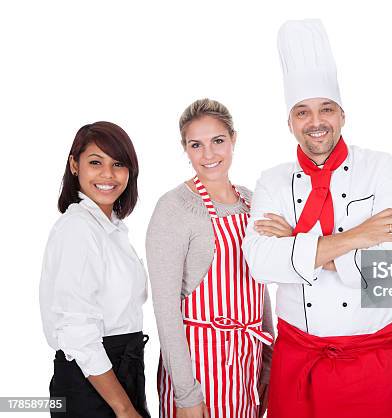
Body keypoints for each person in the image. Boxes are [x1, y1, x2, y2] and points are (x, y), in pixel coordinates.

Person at [242, 19, 392, 418]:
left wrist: (299, 243)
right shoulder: (272, 180)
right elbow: (259, 261)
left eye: (326, 109)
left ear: (342, 115)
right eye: (302, 112)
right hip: (297, 360)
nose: (315, 121)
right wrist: (359, 236)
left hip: (371, 363)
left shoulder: (380, 167)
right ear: (290, 122)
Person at [146, 98, 274, 418]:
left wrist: (268, 363)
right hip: (199, 374)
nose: (209, 155)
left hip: (247, 367)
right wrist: (186, 395)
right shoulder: (174, 208)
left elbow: (260, 283)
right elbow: (165, 311)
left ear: (233, 139)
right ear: (185, 149)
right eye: (196, 145)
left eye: (218, 141)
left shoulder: (251, 201)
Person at [40, 121, 150, 418]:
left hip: (119, 375)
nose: (108, 175)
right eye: (95, 163)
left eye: (118, 164)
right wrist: (124, 408)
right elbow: (77, 331)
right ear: (74, 165)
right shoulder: (77, 229)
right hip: (90, 383)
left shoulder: (112, 229)